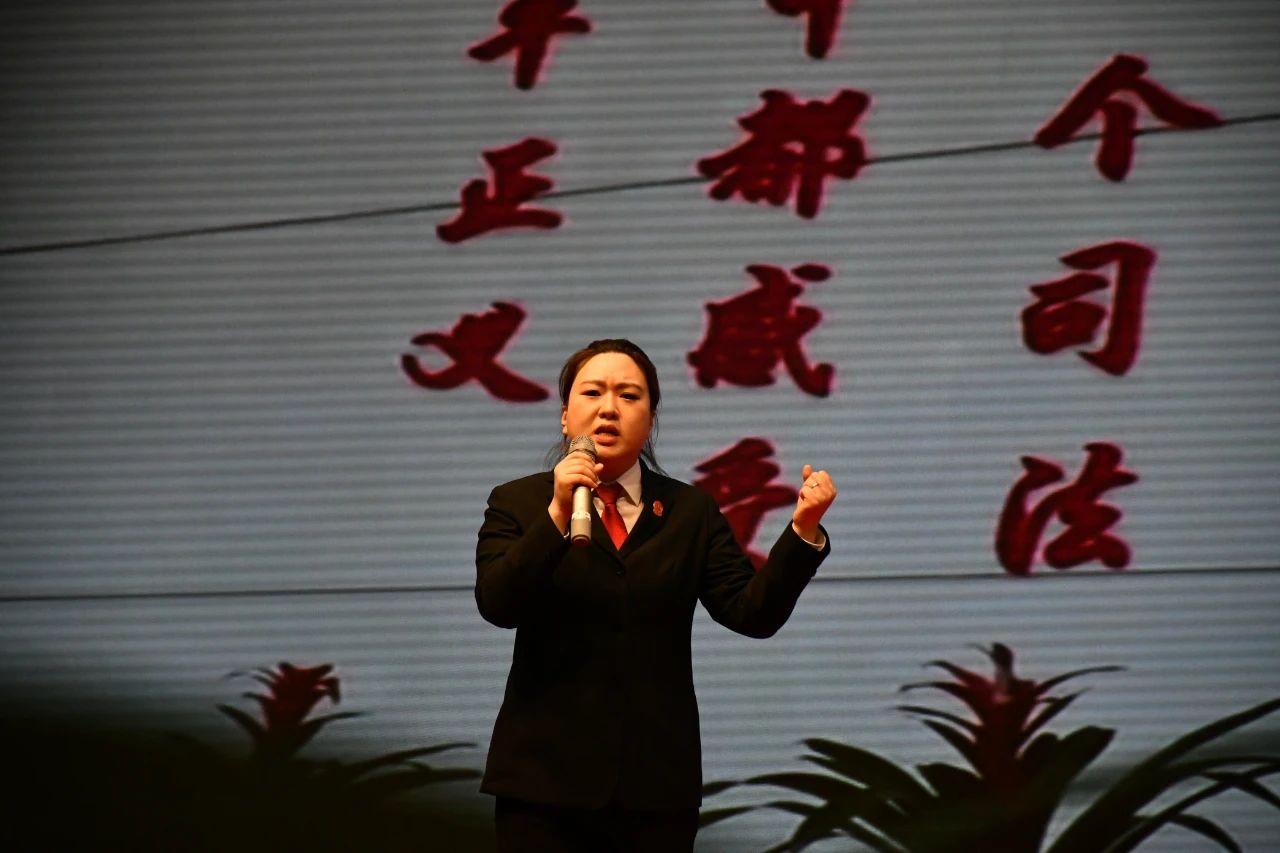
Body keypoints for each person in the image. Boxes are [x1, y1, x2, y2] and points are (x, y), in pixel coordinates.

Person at [475, 339, 836, 852]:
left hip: (654, 790)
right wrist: (557, 515)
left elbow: (751, 612)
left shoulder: (690, 511)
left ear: (650, 420)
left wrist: (803, 531)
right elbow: (497, 603)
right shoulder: (517, 502)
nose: (609, 408)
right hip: (542, 785)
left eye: (629, 396)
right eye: (593, 393)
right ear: (565, 416)